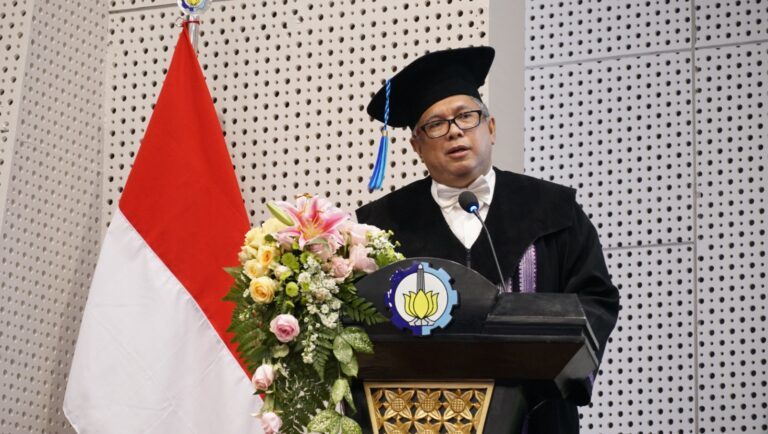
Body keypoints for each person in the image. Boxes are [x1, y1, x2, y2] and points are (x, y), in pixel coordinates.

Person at [355, 46, 620, 433]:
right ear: (417, 147)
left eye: (466, 116)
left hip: (538, 419)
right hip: (422, 420)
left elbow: (596, 301)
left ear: (490, 128)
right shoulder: (380, 226)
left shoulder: (553, 209)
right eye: (435, 124)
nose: (455, 131)